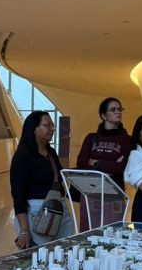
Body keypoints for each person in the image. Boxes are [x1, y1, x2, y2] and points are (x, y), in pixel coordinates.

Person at [11, 111, 76, 249]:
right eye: (47, 125)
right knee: (40, 255)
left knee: (65, 249)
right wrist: (24, 230)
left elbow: (60, 177)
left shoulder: (51, 152)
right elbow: (18, 195)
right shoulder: (23, 156)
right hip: (36, 212)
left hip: (58, 207)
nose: (52, 129)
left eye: (52, 125)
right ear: (33, 129)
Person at [75, 97, 130, 230]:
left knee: (113, 233)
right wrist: (110, 166)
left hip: (114, 194)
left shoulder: (127, 140)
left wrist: (96, 162)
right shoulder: (91, 138)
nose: (118, 112)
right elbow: (81, 164)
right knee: (88, 233)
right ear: (104, 115)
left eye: (119, 109)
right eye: (113, 109)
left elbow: (121, 167)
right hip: (91, 193)